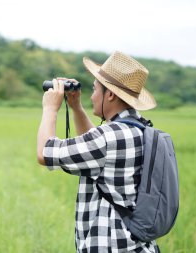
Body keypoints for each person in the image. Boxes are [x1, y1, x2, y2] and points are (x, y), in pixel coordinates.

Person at [37, 51, 160, 252]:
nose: (92, 96)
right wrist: (75, 107)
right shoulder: (141, 130)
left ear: (110, 94)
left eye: (95, 89)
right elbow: (97, 149)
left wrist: (50, 108)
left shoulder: (108, 137)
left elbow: (45, 153)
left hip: (110, 246)